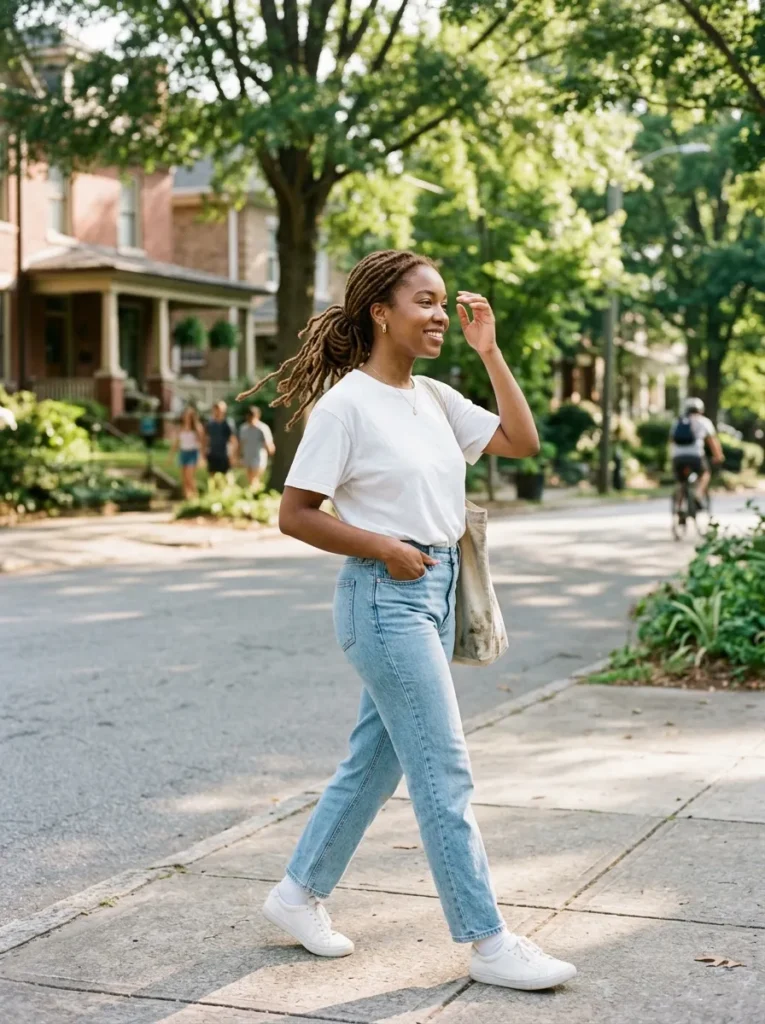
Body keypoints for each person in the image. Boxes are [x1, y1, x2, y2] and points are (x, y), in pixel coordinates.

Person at [237, 249, 577, 991]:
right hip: (382, 595)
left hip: (432, 589)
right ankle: (487, 942)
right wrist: (383, 547)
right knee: (443, 770)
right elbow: (294, 514)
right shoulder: (346, 406)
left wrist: (490, 353)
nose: (438, 316)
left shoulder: (433, 398)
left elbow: (522, 443)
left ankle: (295, 895)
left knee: (374, 763)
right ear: (379, 312)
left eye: (443, 302)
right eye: (423, 301)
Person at [670, 397, 723, 509]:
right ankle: (698, 495)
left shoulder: (678, 421)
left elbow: (671, 440)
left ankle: (679, 509)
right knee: (705, 473)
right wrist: (718, 456)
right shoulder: (704, 421)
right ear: (701, 409)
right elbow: (712, 441)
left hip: (678, 456)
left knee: (681, 482)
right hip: (696, 456)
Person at [172, 405, 205, 499]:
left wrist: (201, 457)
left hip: (192, 454)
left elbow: (202, 444)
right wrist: (171, 457)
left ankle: (196, 498)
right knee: (184, 480)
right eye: (185, 415)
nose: (186, 417)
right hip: (183, 453)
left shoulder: (197, 427)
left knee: (189, 477)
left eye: (189, 415)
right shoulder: (181, 427)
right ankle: (187, 498)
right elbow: (176, 443)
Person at [239, 405, 275, 487]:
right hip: (248, 457)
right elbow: (242, 443)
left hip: (259, 458)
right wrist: (240, 456)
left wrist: (272, 455)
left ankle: (255, 493)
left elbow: (269, 444)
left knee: (255, 479)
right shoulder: (243, 428)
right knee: (250, 479)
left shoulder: (262, 428)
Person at [205, 400, 237, 476]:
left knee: (226, 476)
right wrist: (204, 450)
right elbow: (206, 438)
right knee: (212, 476)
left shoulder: (228, 423)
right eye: (215, 408)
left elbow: (233, 440)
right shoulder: (210, 423)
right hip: (213, 454)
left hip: (224, 454)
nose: (217, 411)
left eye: (219, 409)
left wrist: (233, 455)